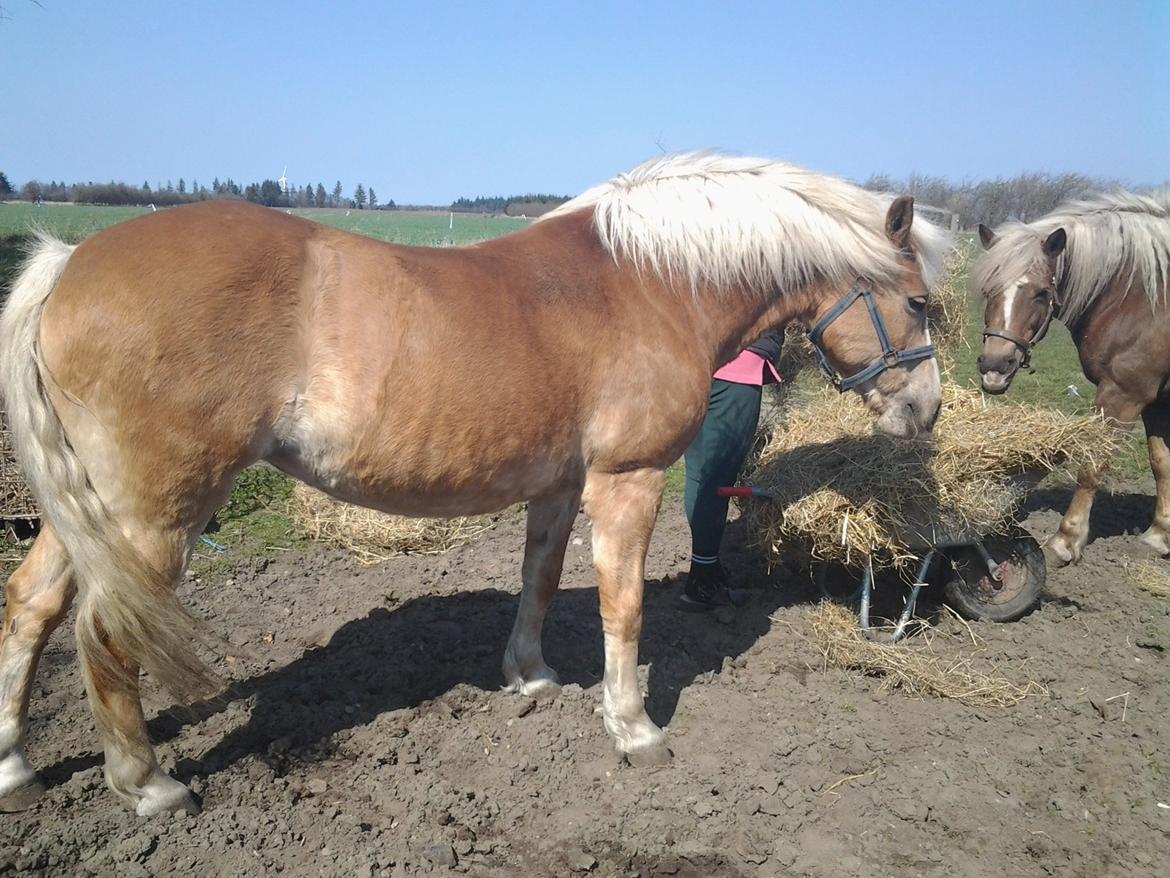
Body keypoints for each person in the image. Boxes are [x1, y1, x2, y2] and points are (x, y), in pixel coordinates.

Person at [680, 329, 784, 610]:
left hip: (695, 361)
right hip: (739, 366)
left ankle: (707, 565)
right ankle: (701, 583)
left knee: (699, 473)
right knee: (717, 479)